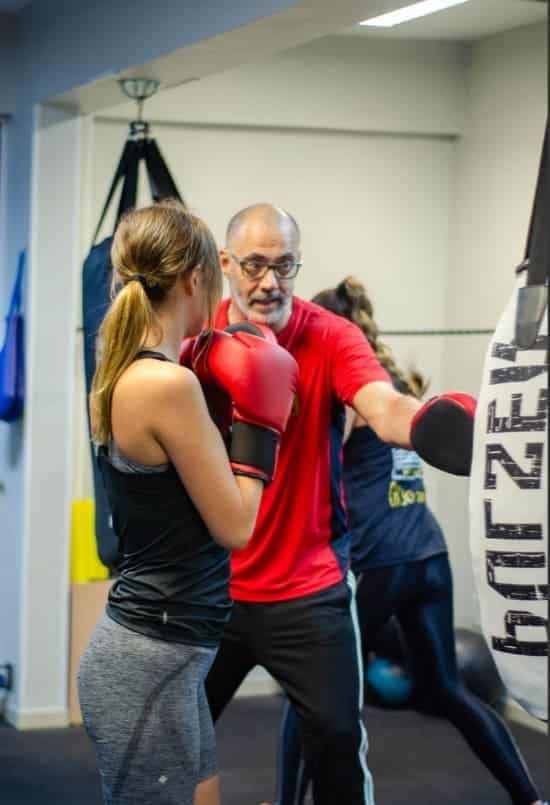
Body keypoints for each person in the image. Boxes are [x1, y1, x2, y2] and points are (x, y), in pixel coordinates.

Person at [197, 202, 476, 805]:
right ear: (225, 264)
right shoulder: (200, 339)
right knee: (175, 740)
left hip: (310, 591)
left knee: (338, 741)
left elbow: (381, 402)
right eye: (253, 265)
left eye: (284, 265)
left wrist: (427, 422)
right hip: (217, 588)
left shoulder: (329, 336)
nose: (269, 282)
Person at [273, 276, 546, 805]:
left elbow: (316, 450)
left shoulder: (348, 388)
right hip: (428, 553)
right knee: (446, 689)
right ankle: (529, 798)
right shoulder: (394, 379)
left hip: (380, 560)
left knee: (307, 692)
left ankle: (285, 802)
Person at [77, 201, 298, 805]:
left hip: (169, 654)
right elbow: (235, 526)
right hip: (151, 656)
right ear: (195, 278)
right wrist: (260, 426)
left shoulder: (137, 368)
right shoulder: (165, 384)